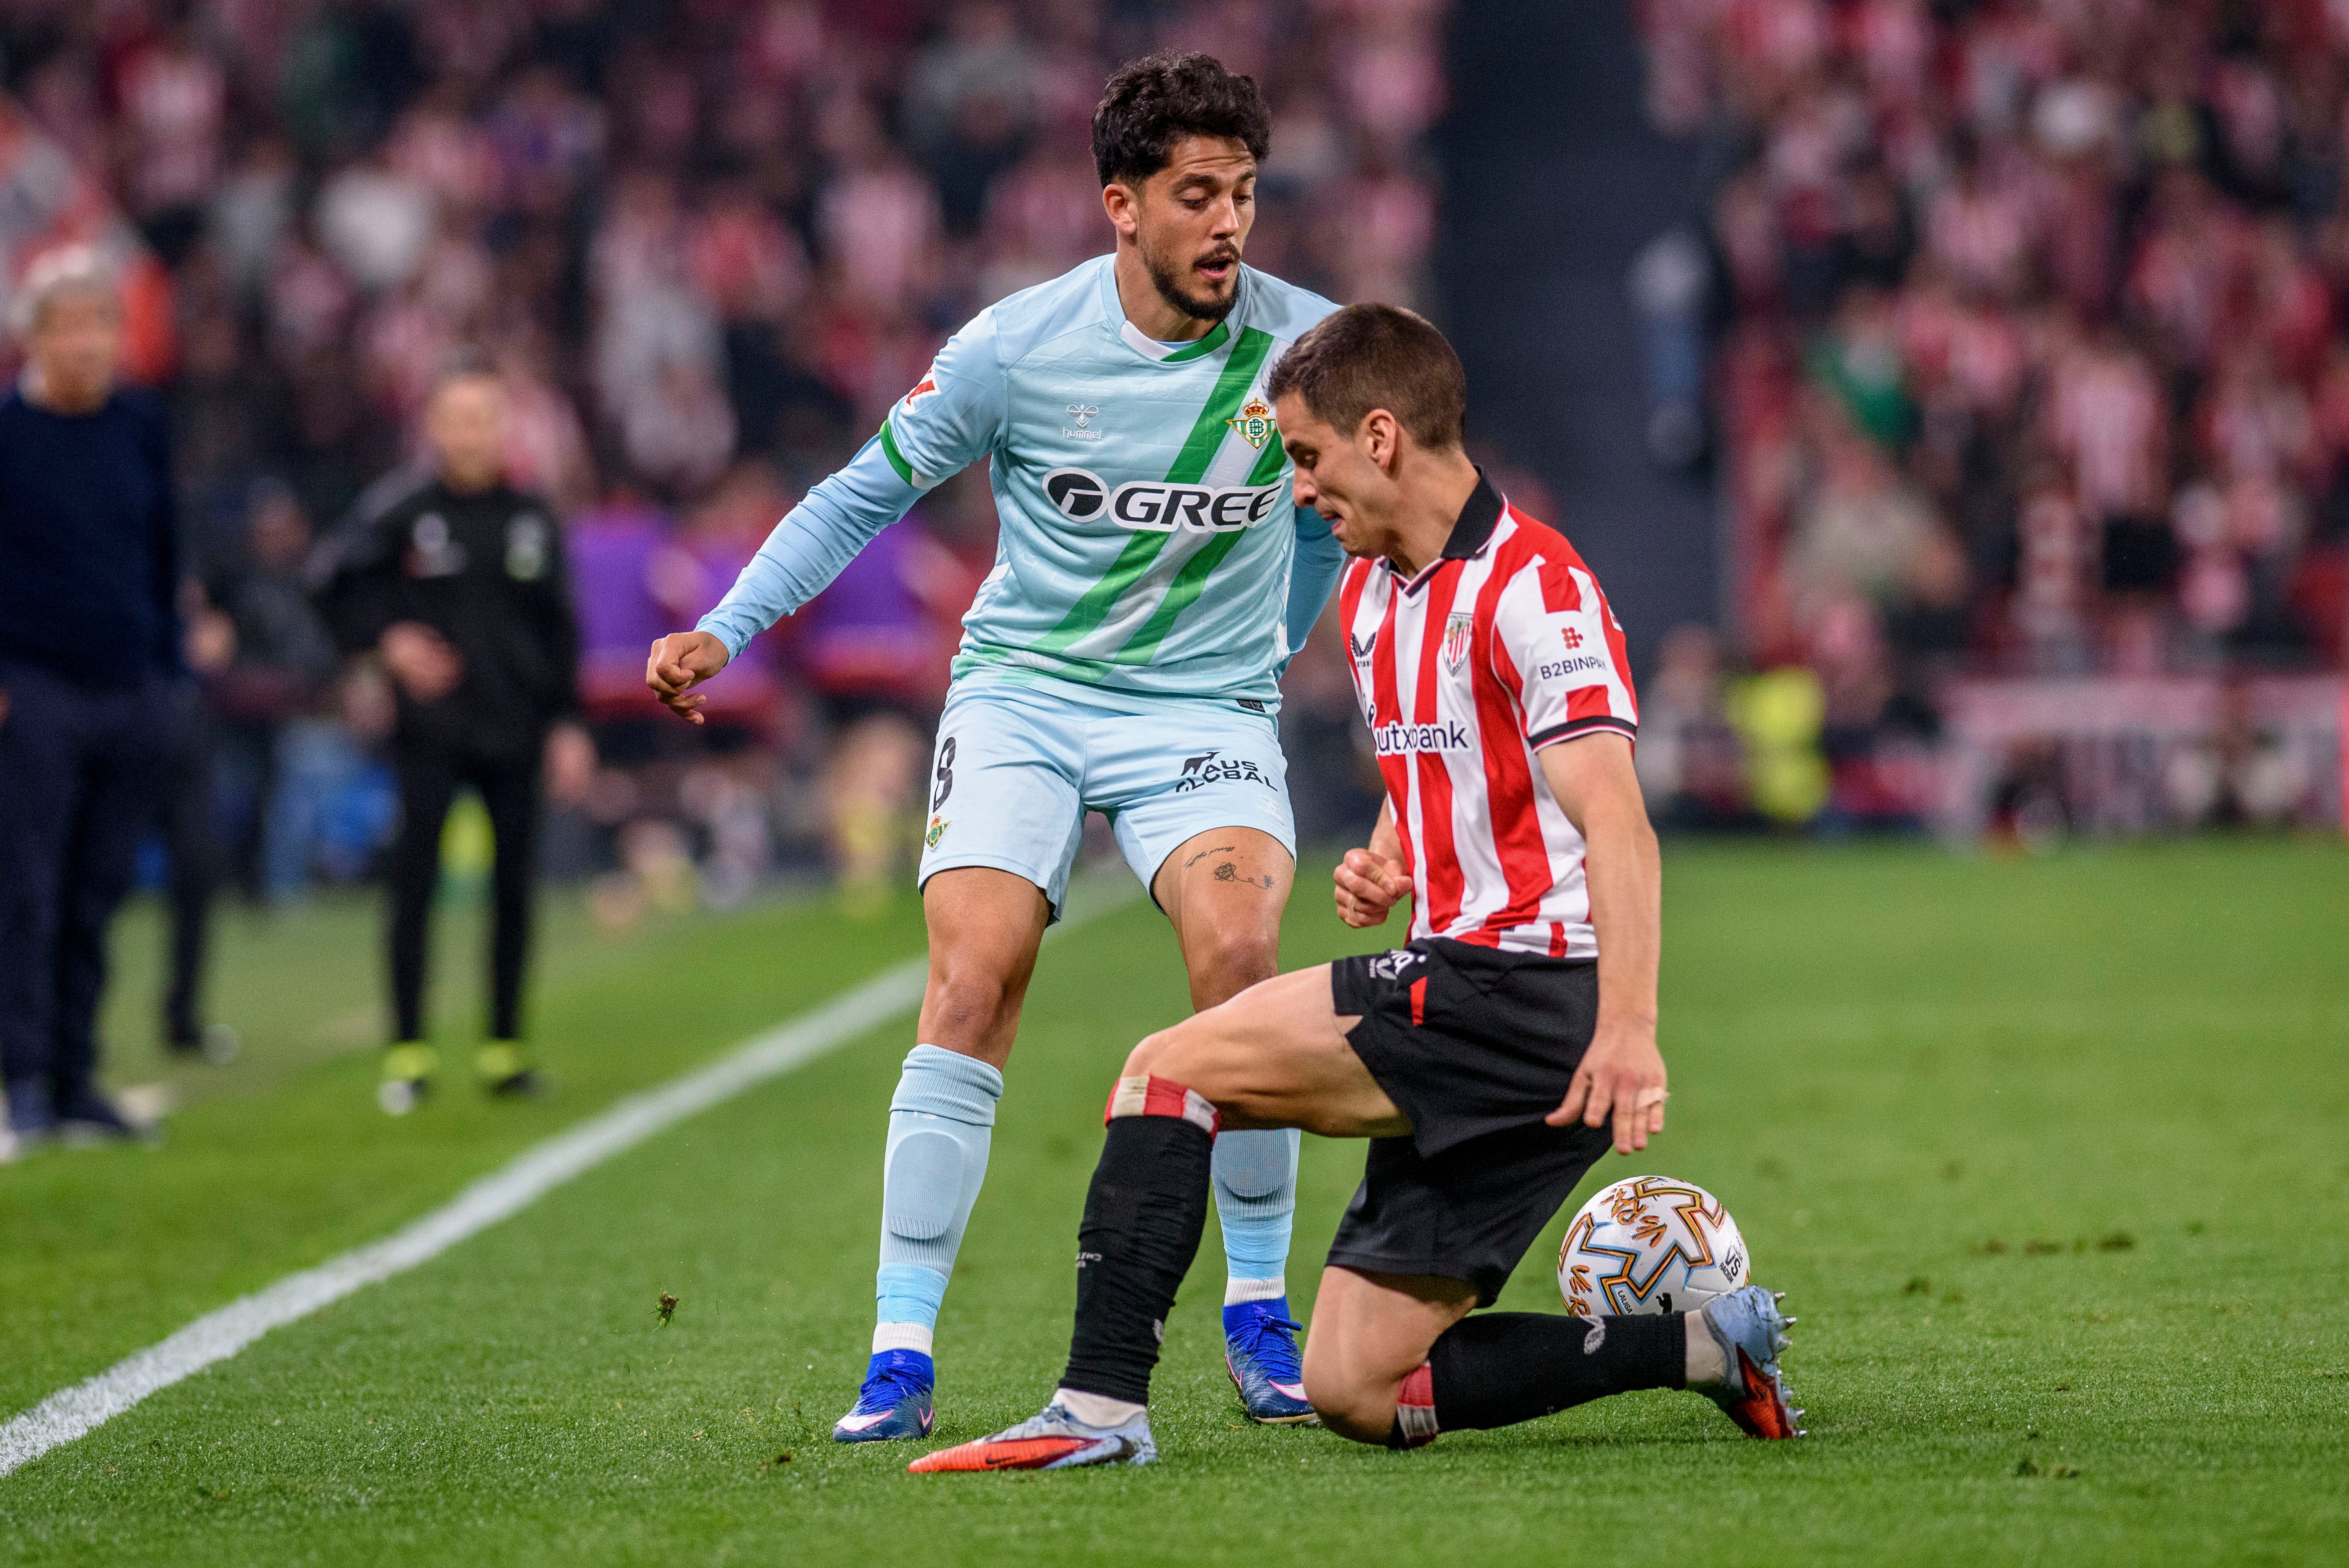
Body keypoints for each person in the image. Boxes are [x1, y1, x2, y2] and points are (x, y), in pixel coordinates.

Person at [909, 305, 1802, 1473]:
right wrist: (1393, 845)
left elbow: (1619, 826)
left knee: (1165, 1071)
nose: (1296, 488)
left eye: (1306, 456)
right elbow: (1447, 751)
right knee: (1357, 1385)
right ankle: (1704, 1347)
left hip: (1519, 989)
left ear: (1380, 436)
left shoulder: (1537, 588)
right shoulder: (1377, 592)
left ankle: (1098, 1408)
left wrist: (1630, 1026)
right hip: (1494, 1004)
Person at [646, 52, 1349, 1436]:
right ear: (1120, 204)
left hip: (1201, 710)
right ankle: (899, 1352)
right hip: (1025, 693)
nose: (1228, 224)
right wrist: (729, 627)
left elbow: (1348, 523)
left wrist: (1276, 645)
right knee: (976, 981)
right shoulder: (1013, 347)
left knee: (1243, 969)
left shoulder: (1309, 351)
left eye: (1246, 195)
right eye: (1196, 194)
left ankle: (1261, 1316)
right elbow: (863, 496)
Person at [315, 359, 595, 1114]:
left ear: (504, 427)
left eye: (484, 419)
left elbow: (561, 629)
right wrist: (387, 642)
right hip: (430, 734)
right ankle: (409, 1049)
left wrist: (569, 723)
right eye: (456, 419)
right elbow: (329, 584)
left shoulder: (533, 515)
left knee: (513, 890)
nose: (470, 434)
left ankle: (506, 1046)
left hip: (518, 729)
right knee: (412, 887)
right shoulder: (398, 511)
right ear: (431, 427)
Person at [0, 247, 178, 1155]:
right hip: (35, 684)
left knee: (100, 889)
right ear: (33, 336)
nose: (89, 345)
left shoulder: (139, 426)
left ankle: (76, 1074)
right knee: (29, 887)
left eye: (102, 325)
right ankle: (24, 1076)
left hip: (127, 684)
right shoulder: (10, 434)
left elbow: (164, 551)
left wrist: (169, 677)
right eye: (70, 326)